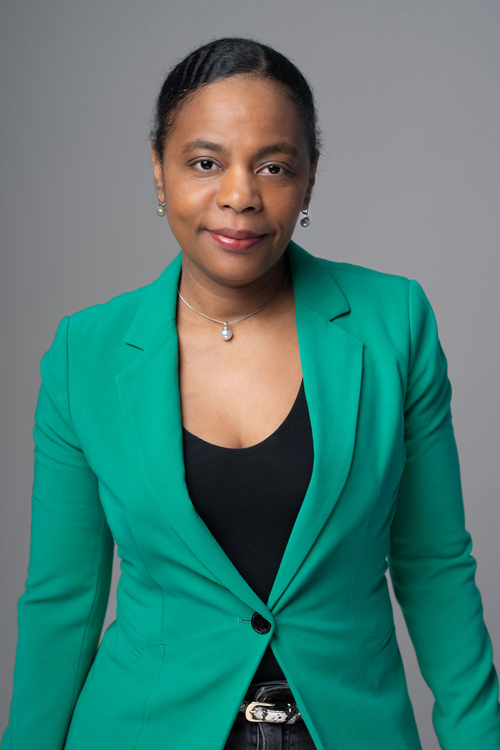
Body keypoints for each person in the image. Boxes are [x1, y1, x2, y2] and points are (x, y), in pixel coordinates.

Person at [2, 37, 499, 750]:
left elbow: (434, 567)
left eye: (274, 166)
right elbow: (63, 602)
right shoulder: (86, 354)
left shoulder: (395, 324)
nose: (240, 196)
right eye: (206, 163)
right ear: (159, 170)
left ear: (310, 180)